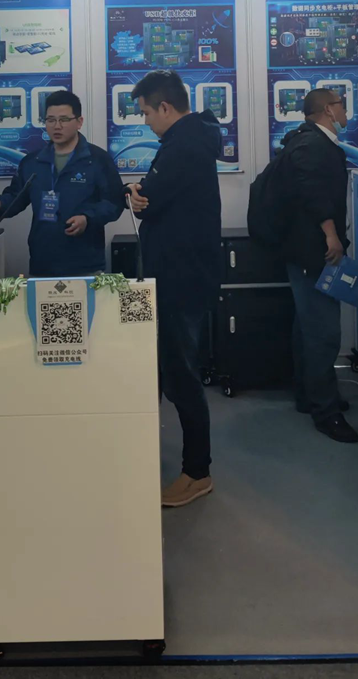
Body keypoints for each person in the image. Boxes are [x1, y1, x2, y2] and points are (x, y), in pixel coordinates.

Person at [128, 71, 222, 509]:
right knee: (173, 372)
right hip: (180, 273)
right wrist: (139, 196)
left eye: (146, 112)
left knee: (182, 377)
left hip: (180, 279)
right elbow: (148, 197)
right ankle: (188, 465)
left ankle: (196, 473)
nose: (145, 120)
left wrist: (139, 196)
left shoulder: (183, 145)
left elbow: (150, 198)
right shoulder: (191, 139)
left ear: (165, 107)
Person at [279, 87, 358, 444]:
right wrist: (331, 235)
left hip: (303, 251)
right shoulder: (314, 145)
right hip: (314, 251)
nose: (345, 112)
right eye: (342, 106)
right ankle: (326, 413)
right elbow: (312, 193)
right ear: (328, 109)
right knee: (323, 332)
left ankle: (308, 396)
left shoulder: (307, 140)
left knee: (306, 325)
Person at [0, 90, 125, 277]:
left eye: (64, 120)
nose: (57, 126)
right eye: (50, 120)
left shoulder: (97, 160)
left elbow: (114, 203)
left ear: (79, 122)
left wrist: (87, 218)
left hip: (86, 264)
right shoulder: (33, 162)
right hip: (43, 263)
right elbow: (15, 196)